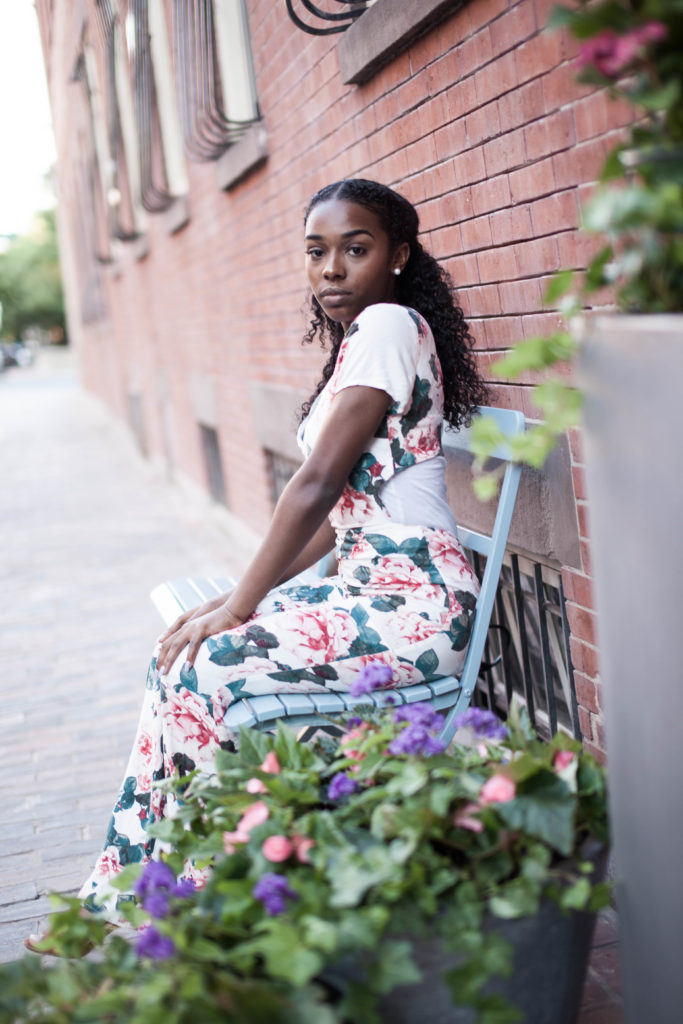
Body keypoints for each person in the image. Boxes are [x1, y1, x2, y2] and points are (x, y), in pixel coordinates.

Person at [27, 178, 488, 944]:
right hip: (370, 592)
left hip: (415, 606)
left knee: (204, 667)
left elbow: (312, 486)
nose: (332, 268)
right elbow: (331, 515)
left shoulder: (386, 325)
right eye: (316, 252)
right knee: (180, 650)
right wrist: (231, 602)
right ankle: (132, 899)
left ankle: (202, 906)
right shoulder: (358, 345)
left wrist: (239, 604)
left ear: (399, 256)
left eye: (355, 248)